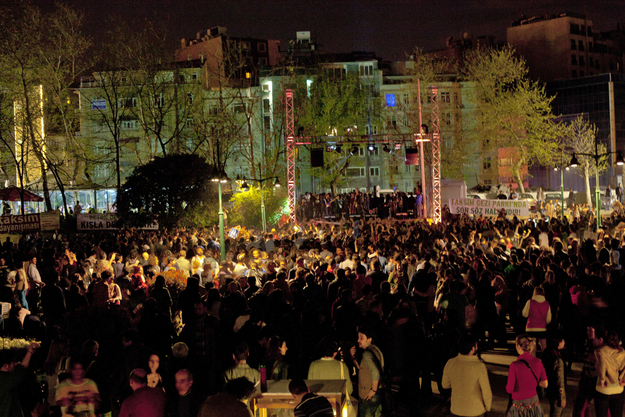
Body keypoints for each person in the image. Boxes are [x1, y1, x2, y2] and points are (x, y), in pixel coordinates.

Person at [441, 334, 492, 417]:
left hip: (456, 409)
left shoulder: (450, 363)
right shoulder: (479, 366)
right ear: (472, 349)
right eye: (476, 346)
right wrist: (488, 407)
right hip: (476, 410)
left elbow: (445, 385)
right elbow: (486, 391)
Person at [506, 335, 548, 417]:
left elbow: (509, 389)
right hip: (534, 403)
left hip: (518, 405)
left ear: (518, 346)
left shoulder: (514, 365)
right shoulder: (538, 362)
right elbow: (545, 384)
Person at [0, 342, 40, 417]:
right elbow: (22, 368)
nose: (16, 364)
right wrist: (29, 352)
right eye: (13, 362)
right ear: (5, 366)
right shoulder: (6, 380)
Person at [594, 330, 625, 417]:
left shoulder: (601, 351)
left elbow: (601, 367)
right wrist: (623, 379)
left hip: (604, 389)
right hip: (618, 389)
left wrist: (602, 379)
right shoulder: (622, 352)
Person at [355, 326, 384, 417]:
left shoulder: (367, 354)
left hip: (369, 394)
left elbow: (375, 372)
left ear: (369, 339)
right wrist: (353, 359)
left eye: (361, 338)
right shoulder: (376, 350)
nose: (358, 340)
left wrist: (373, 390)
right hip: (379, 392)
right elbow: (365, 369)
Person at [542, 335, 566, 417]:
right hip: (556, 392)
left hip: (549, 389)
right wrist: (562, 397)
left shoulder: (546, 353)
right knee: (556, 412)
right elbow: (560, 380)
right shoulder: (557, 359)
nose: (564, 343)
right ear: (558, 342)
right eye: (563, 341)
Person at [522, 286, 551, 353]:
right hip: (542, 328)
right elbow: (548, 319)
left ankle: (533, 362)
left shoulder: (530, 302)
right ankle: (546, 361)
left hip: (531, 328)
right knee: (544, 347)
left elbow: (525, 314)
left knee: (532, 348)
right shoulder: (547, 304)